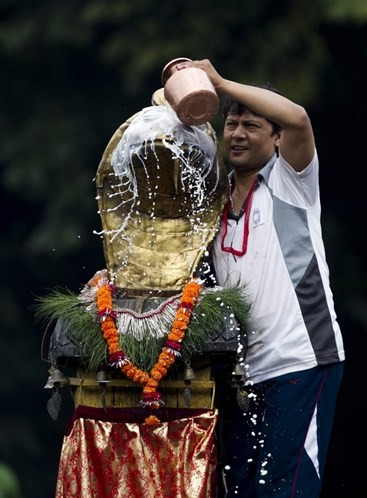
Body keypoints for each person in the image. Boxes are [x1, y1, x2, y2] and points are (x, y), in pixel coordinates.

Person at [183, 59, 345, 497]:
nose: (237, 133)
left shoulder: (291, 182)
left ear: (275, 140)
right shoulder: (213, 200)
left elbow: (298, 117)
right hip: (242, 374)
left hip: (302, 360)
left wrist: (217, 84)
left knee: (285, 489)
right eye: (231, 123)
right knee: (238, 489)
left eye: (251, 125)